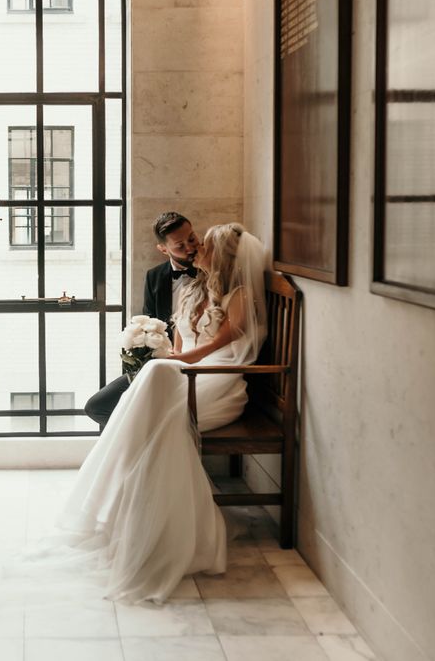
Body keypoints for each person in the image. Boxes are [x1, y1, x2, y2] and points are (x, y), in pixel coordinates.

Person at [57, 223, 269, 603]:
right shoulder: (194, 287)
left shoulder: (239, 295)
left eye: (202, 244)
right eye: (190, 243)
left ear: (220, 257)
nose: (196, 247)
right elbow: (178, 338)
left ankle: (156, 531)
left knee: (154, 391)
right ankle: (131, 521)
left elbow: (211, 349)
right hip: (184, 371)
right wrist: (157, 353)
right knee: (148, 398)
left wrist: (167, 362)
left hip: (216, 379)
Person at [84, 212, 201, 427]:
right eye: (179, 245)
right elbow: (150, 324)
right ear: (163, 249)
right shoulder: (154, 277)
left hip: (199, 365)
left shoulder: (212, 272)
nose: (190, 248)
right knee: (97, 407)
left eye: (191, 239)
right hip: (160, 362)